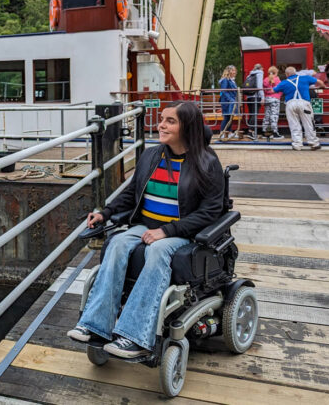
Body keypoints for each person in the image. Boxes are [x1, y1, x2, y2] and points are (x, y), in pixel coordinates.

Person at [67, 102, 225, 358]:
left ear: (188, 127)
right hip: (146, 225)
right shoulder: (152, 156)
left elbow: (210, 212)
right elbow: (132, 193)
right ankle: (95, 325)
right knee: (117, 243)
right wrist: (105, 212)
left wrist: (169, 230)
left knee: (157, 251)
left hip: (181, 233)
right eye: (162, 119)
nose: (161, 125)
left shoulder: (207, 163)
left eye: (170, 121)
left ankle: (135, 337)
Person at [273, 66, 326, 150]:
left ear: (286, 74)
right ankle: (313, 143)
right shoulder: (305, 78)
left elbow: (274, 90)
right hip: (304, 103)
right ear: (295, 72)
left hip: (290, 104)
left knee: (294, 125)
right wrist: (322, 87)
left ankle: (297, 145)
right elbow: (319, 82)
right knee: (309, 123)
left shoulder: (284, 82)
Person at [243, 64, 264, 139]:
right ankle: (250, 131)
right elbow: (259, 86)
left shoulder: (249, 75)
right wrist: (262, 97)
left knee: (251, 114)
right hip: (256, 97)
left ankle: (252, 132)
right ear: (260, 68)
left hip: (249, 97)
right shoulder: (259, 74)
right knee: (254, 114)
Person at [262, 66, 283, 139]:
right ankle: (275, 133)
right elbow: (281, 89)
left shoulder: (265, 80)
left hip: (267, 99)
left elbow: (263, 90)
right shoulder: (277, 79)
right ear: (276, 72)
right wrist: (280, 95)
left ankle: (264, 132)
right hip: (275, 99)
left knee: (267, 115)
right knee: (274, 115)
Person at [218, 65, 238, 140]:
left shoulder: (232, 80)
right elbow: (224, 91)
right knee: (226, 117)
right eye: (232, 70)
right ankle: (222, 132)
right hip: (227, 101)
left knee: (230, 117)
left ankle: (229, 132)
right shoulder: (225, 80)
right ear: (228, 71)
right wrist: (230, 99)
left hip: (231, 101)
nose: (234, 72)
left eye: (234, 70)